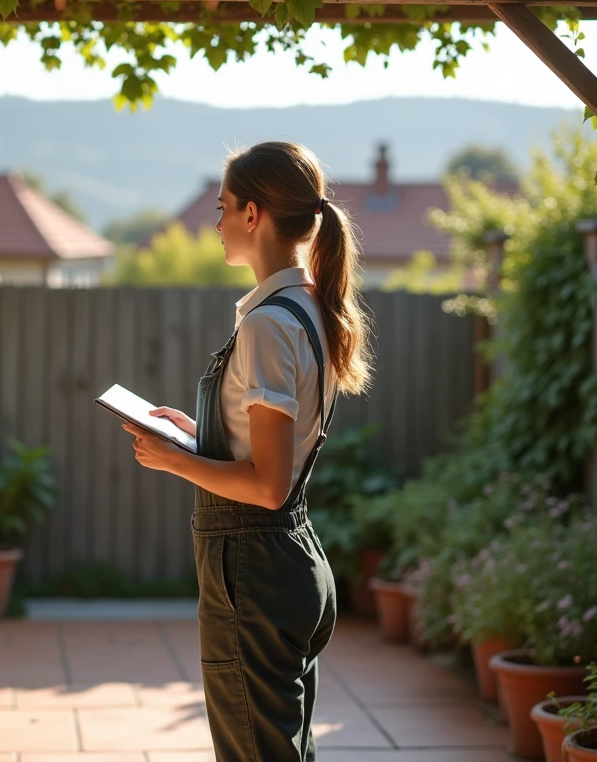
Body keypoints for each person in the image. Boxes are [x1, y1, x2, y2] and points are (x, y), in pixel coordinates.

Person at [122, 141, 371, 761]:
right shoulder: (308, 306)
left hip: (252, 572)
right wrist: (198, 431)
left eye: (224, 207)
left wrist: (176, 461)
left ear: (254, 215)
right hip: (292, 560)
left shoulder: (266, 323)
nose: (217, 223)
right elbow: (269, 450)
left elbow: (266, 484)